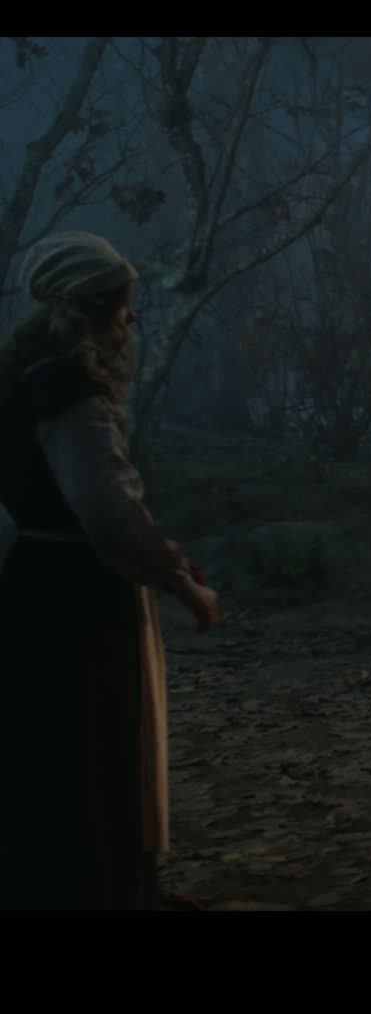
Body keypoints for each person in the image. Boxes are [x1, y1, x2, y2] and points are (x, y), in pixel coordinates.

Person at [0, 231, 221, 910]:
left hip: (34, 585)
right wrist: (182, 581)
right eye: (125, 307)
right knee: (93, 749)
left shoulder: (24, 379)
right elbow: (109, 511)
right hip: (77, 598)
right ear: (98, 310)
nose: (131, 321)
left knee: (52, 747)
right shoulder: (68, 390)